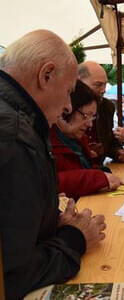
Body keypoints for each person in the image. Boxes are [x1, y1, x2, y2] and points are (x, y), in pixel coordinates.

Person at [0, 30, 106, 299]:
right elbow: (12, 276)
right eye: (69, 91)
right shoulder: (14, 137)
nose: (69, 106)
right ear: (46, 75)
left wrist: (51, 221)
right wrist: (75, 237)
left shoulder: (18, 123)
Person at [51, 80, 123, 199]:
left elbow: (83, 169)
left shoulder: (76, 140)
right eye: (85, 116)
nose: (90, 124)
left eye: (93, 117)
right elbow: (49, 184)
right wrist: (97, 178)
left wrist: (102, 173)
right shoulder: (46, 141)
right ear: (67, 108)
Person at [78, 61, 124, 163]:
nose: (103, 90)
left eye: (105, 85)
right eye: (98, 85)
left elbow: (109, 141)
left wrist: (118, 152)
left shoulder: (107, 107)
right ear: (79, 82)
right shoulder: (64, 108)